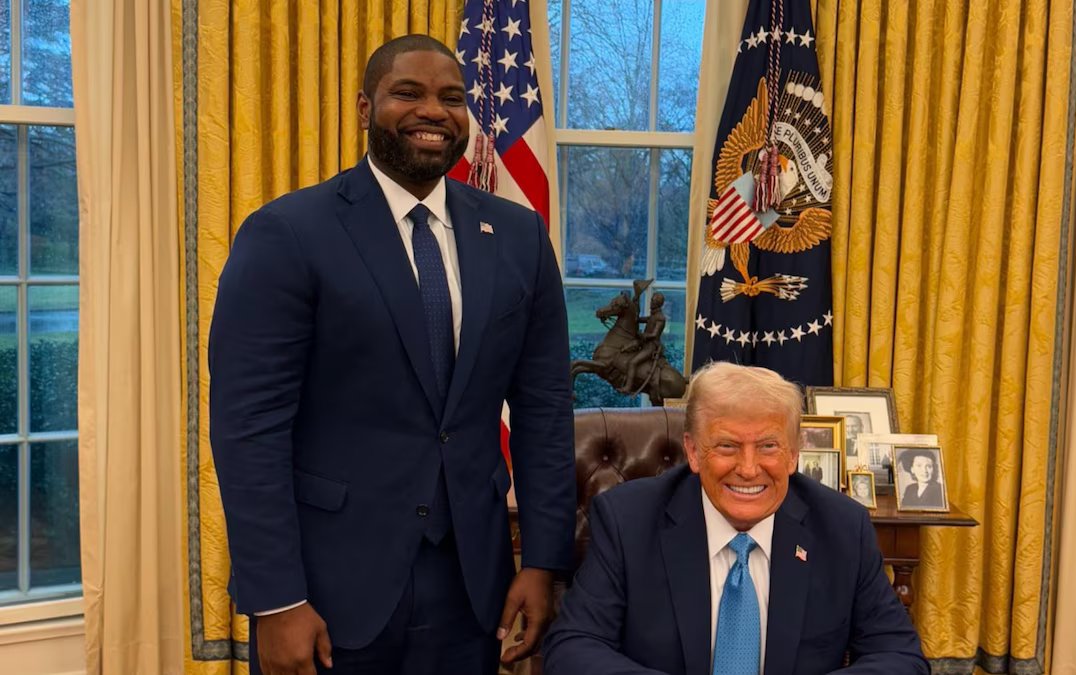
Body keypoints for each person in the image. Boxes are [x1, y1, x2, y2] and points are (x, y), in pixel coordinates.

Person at [208, 35, 575, 675]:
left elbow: (545, 408)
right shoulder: (286, 233)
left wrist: (543, 561)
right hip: (327, 590)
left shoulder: (518, 236)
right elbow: (249, 429)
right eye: (408, 92)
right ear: (363, 107)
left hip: (473, 586)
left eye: (452, 98)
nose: (433, 110)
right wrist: (276, 599)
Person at [542, 362, 928, 675]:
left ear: (794, 453)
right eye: (727, 445)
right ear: (693, 451)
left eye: (768, 447)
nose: (748, 469)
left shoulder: (842, 528)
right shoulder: (629, 520)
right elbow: (573, 647)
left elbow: (900, 656)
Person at [621, 292, 667, 394]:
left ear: (658, 303)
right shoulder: (653, 315)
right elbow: (637, 319)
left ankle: (628, 387)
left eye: (653, 301)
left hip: (650, 346)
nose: (651, 303)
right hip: (643, 343)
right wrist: (636, 303)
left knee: (633, 362)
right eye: (651, 300)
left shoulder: (660, 318)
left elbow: (655, 334)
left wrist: (643, 335)